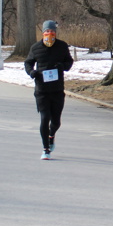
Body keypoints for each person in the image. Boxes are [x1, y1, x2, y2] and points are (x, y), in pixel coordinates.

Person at [24, 20, 74, 160]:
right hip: (42, 90)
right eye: (47, 31)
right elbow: (28, 62)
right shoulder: (36, 48)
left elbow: (69, 62)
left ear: (55, 33)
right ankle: (45, 149)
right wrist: (32, 72)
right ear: (43, 33)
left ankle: (51, 136)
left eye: (52, 31)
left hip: (57, 90)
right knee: (45, 118)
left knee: (56, 122)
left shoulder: (62, 46)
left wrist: (62, 66)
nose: (49, 34)